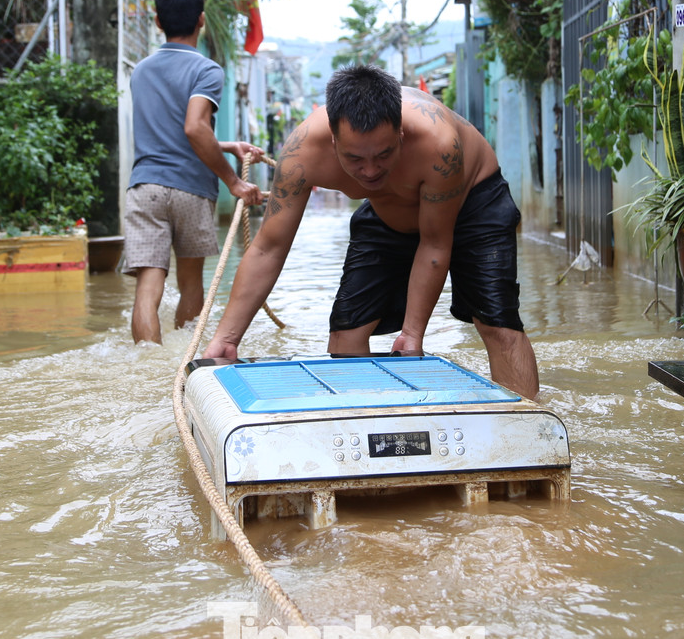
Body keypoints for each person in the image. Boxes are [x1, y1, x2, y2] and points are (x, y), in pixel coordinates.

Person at [204, 64, 541, 399]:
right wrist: (228, 338)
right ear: (334, 141)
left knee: (497, 324)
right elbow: (269, 247)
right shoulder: (302, 154)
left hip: (474, 202)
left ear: (401, 134)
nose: (369, 170)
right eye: (354, 159)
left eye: (384, 154)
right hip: (388, 211)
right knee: (345, 336)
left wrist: (412, 334)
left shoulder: (439, 145)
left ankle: (530, 428)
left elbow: (435, 243)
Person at [124, 0, 264, 344]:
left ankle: (145, 367)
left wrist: (228, 144)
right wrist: (233, 181)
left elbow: (176, 131)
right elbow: (193, 127)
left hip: (145, 189)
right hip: (190, 190)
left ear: (157, 21)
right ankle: (183, 367)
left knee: (147, 287)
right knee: (190, 286)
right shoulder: (206, 71)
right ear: (201, 20)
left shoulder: (140, 71)